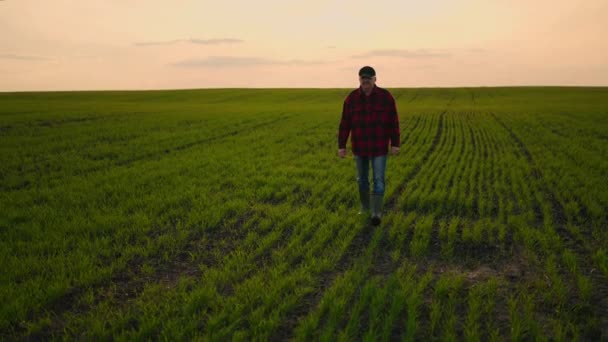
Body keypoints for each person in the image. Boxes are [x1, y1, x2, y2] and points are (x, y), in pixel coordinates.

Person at [338, 66, 400, 225]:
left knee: (378, 179)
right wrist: (341, 145)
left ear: (375, 79)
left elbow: (393, 122)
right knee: (362, 180)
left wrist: (395, 143)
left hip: (379, 147)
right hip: (360, 147)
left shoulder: (386, 97)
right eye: (362, 78)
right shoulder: (351, 99)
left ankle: (376, 212)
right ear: (359, 80)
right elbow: (345, 124)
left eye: (369, 78)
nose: (365, 81)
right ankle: (365, 208)